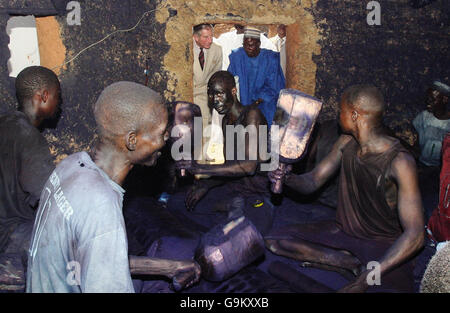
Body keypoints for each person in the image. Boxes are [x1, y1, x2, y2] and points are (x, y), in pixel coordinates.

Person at [26, 82, 200, 293]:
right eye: (162, 132)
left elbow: (97, 255)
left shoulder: (71, 164)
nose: (166, 139)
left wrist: (171, 267)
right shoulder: (102, 204)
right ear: (132, 141)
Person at [266, 85, 425, 292]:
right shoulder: (345, 142)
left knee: (383, 285)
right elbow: (312, 181)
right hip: (343, 231)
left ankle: (362, 270)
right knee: (275, 241)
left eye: (341, 110)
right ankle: (346, 262)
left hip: (380, 243)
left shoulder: (399, 161)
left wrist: (366, 279)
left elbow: (416, 235)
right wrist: (287, 178)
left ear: (355, 115)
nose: (338, 115)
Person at [176, 71, 268, 211]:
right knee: (178, 203)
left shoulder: (251, 115)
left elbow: (249, 166)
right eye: (211, 95)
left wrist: (200, 168)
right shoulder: (227, 121)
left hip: (257, 192)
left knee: (236, 223)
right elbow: (229, 166)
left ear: (233, 91)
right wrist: (206, 185)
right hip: (238, 187)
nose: (214, 100)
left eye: (219, 94)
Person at [0, 66, 61, 270]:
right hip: (10, 234)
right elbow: (47, 195)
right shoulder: (29, 137)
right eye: (57, 96)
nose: (59, 104)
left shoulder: (5, 123)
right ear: (44, 96)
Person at [228, 26, 285, 127]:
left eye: (251, 45)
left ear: (259, 44)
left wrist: (256, 102)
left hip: (265, 104)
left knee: (262, 131)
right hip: (243, 103)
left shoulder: (270, 59)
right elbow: (230, 80)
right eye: (245, 45)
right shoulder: (237, 57)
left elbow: (274, 87)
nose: (248, 48)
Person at [193, 23, 223, 135]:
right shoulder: (184, 48)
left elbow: (215, 76)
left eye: (211, 37)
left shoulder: (217, 50)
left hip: (204, 98)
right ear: (195, 37)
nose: (210, 40)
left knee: (205, 131)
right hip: (186, 95)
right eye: (206, 37)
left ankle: (203, 152)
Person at [412, 80, 450, 167]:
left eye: (433, 99)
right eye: (428, 99)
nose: (428, 102)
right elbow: (417, 147)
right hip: (422, 165)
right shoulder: (423, 117)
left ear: (445, 99)